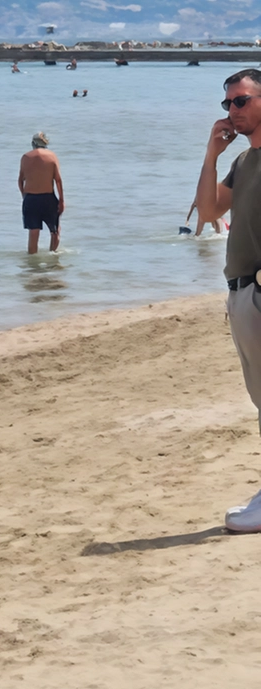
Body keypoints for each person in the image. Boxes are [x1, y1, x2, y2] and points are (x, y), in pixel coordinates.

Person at [194, 68, 261, 532]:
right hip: (240, 293)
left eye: (241, 101)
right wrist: (211, 156)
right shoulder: (244, 163)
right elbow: (209, 211)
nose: (232, 112)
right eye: (228, 105)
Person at [18, 132, 65, 254]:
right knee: (55, 231)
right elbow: (58, 180)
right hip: (48, 198)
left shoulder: (26, 157)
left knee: (33, 232)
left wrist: (25, 196)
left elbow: (20, 180)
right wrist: (61, 200)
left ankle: (32, 267)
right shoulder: (52, 156)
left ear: (33, 144)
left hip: (31, 199)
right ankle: (53, 258)